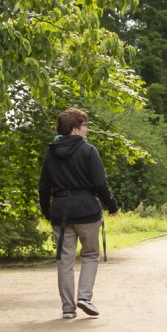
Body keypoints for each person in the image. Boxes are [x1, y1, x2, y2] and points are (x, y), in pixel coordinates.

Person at [39, 107, 119, 319]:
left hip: (61, 212)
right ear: (75, 129)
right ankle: (84, 297)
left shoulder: (50, 152)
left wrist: (47, 212)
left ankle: (67, 309)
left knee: (65, 261)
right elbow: (100, 183)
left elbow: (43, 186)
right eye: (84, 126)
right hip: (87, 211)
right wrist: (112, 205)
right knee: (90, 255)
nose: (87, 130)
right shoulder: (88, 151)